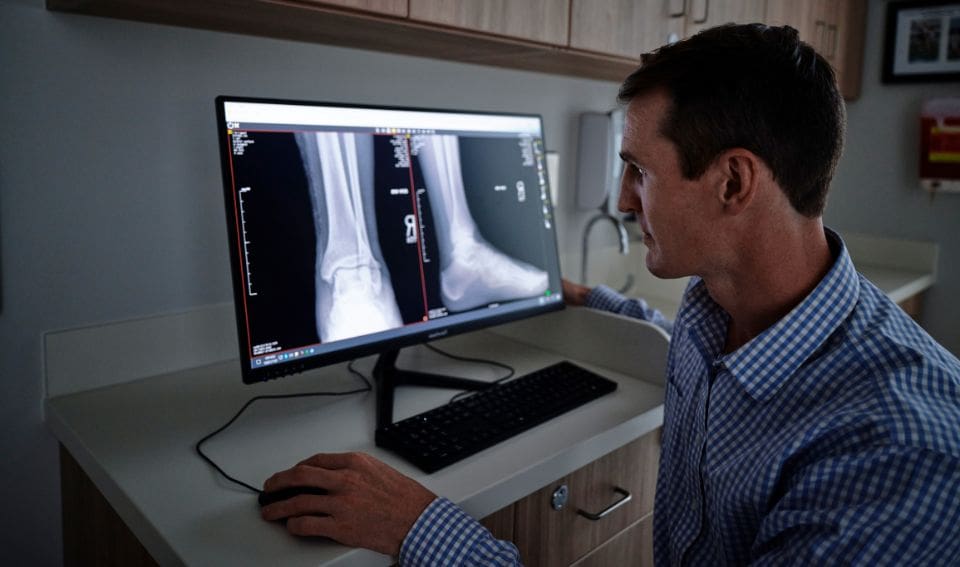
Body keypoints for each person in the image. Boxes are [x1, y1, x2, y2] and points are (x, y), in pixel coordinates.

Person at [260, 23, 960, 565]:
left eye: (638, 172)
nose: (624, 200)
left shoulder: (893, 454)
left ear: (733, 183)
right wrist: (584, 297)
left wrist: (421, 528)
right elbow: (683, 345)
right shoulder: (722, 305)